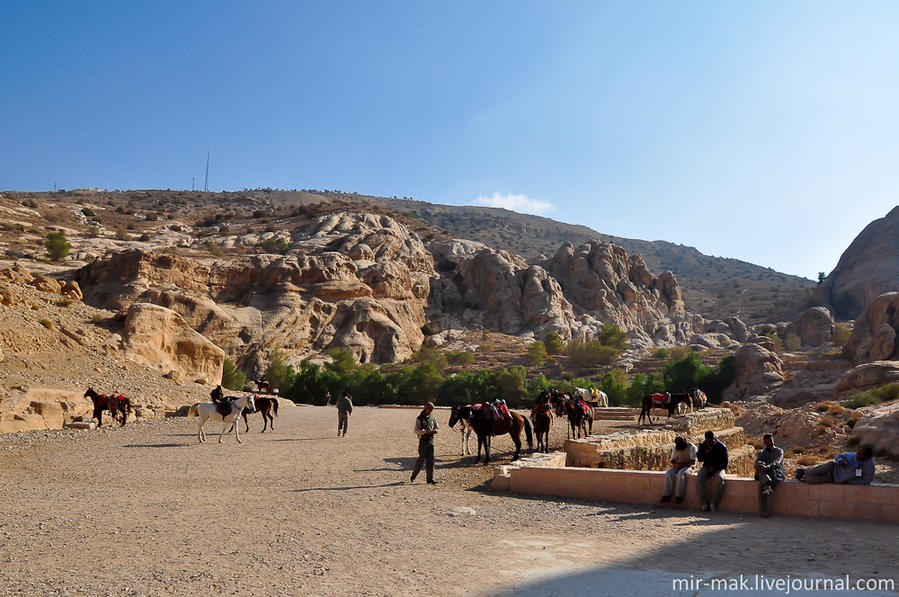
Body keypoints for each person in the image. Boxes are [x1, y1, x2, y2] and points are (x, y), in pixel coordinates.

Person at [796, 447, 875, 485]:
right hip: (831, 468)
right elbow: (838, 456)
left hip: (833, 479)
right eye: (858, 452)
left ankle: (803, 476)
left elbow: (866, 481)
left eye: (860, 454)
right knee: (810, 473)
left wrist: (849, 481)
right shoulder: (853, 456)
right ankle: (804, 471)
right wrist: (840, 461)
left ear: (866, 457)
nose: (857, 454)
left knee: (809, 480)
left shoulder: (869, 468)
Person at [696, 430, 728, 512]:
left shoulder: (722, 447)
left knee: (720, 479)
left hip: (719, 468)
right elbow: (700, 459)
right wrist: (705, 453)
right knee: (699, 477)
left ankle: (713, 503)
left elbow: (725, 463)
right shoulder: (703, 445)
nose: (709, 442)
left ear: (714, 439)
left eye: (710, 441)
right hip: (707, 467)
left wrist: (715, 467)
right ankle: (704, 503)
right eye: (707, 441)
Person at [754, 433, 785, 517]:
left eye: (771, 441)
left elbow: (777, 462)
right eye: (767, 441)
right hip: (765, 475)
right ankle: (767, 485)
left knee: (762, 486)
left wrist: (767, 467)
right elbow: (756, 463)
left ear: (773, 441)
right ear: (764, 442)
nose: (770, 443)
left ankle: (767, 485)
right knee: (759, 464)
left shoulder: (779, 451)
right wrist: (760, 466)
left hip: (776, 474)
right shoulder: (761, 452)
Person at [660, 436, 697, 505]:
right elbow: (672, 460)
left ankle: (679, 496)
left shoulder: (691, 447)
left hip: (688, 465)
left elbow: (693, 461)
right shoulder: (676, 447)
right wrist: (676, 465)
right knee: (669, 473)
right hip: (678, 465)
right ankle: (667, 495)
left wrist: (682, 464)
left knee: (681, 474)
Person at [411, 402, 439, 485]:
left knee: (431, 461)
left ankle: (430, 479)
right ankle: (414, 475)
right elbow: (416, 430)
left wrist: (435, 431)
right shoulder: (419, 418)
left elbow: (437, 428)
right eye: (429, 409)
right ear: (425, 408)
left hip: (431, 442)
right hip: (423, 442)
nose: (431, 411)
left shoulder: (433, 418)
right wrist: (424, 432)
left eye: (432, 409)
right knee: (421, 460)